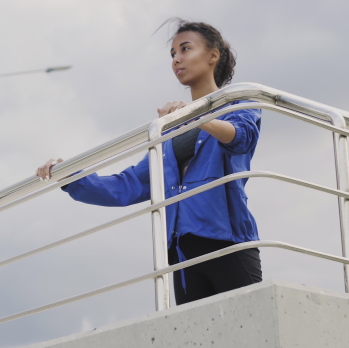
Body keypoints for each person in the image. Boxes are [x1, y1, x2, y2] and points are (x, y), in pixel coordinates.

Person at [35, 18, 262, 305]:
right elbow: (128, 186)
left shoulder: (237, 104)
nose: (177, 59)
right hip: (180, 251)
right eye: (172, 54)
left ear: (212, 55)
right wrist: (68, 176)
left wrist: (195, 116)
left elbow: (240, 138)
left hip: (228, 243)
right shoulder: (169, 129)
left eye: (185, 49)